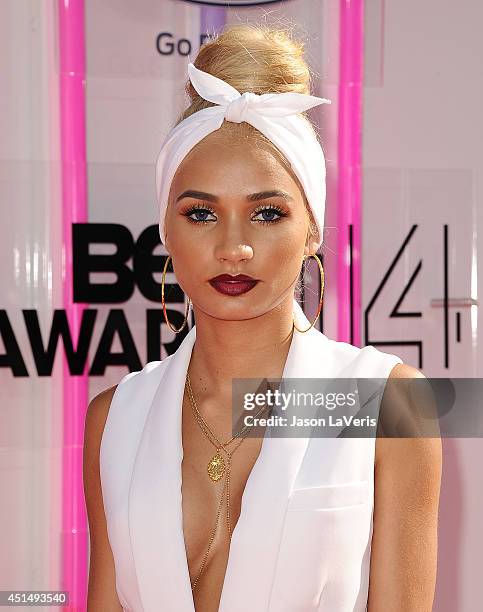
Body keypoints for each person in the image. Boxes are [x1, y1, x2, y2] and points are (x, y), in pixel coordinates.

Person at [83, 24, 442, 612]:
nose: (234, 248)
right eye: (201, 214)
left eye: (268, 212)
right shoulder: (116, 417)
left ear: (312, 232)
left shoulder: (386, 402)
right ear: (165, 232)